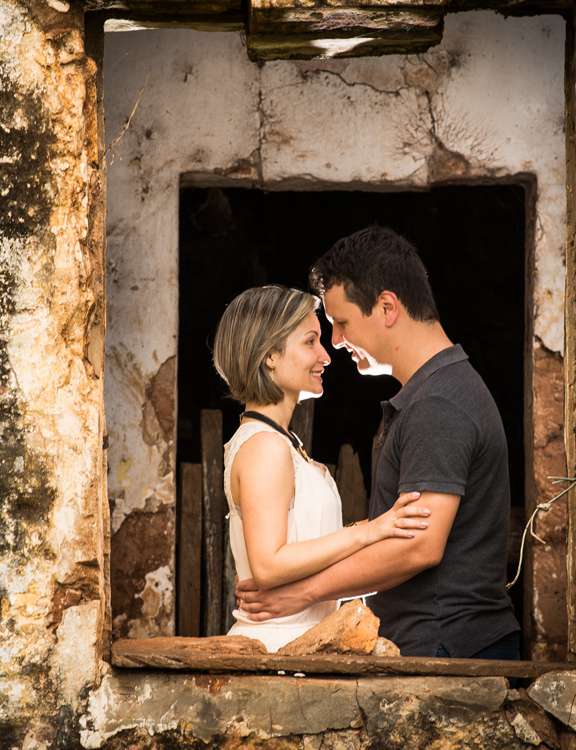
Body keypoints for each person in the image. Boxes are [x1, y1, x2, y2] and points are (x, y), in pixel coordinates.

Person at [235, 227, 521, 659]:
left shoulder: (438, 404)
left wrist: (303, 593)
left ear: (387, 308)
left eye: (342, 323)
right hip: (441, 643)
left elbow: (418, 545)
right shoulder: (436, 391)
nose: (335, 342)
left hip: (447, 648)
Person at [213, 285, 432, 652]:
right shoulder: (265, 446)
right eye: (310, 342)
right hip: (277, 648)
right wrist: (366, 531)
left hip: (304, 644)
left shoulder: (279, 441)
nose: (326, 356)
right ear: (270, 356)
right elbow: (268, 565)